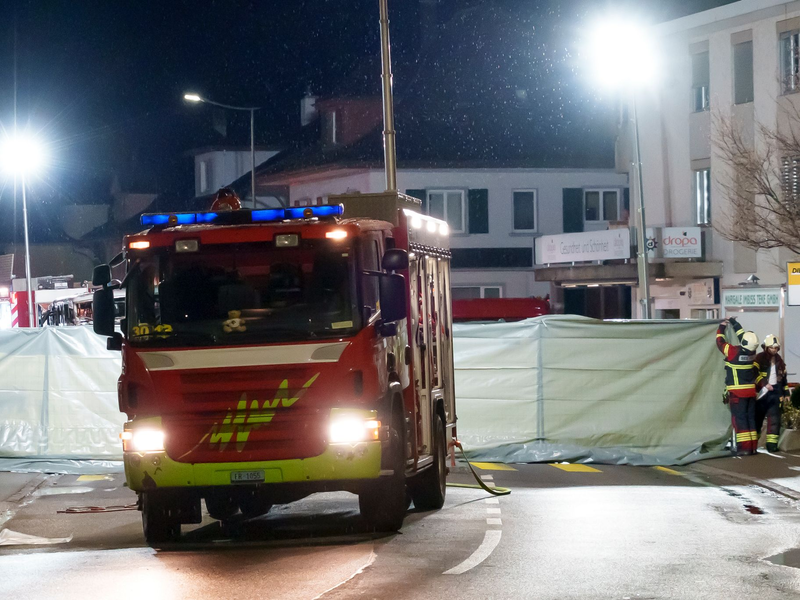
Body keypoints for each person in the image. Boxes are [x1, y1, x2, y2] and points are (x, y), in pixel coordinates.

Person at [716, 317, 760, 455]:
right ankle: (752, 447)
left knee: (740, 420)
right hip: (751, 392)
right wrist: (735, 324)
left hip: (737, 393)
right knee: (750, 418)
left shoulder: (732, 352)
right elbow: (743, 337)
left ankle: (744, 448)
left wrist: (722, 327)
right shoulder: (752, 353)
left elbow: (719, 342)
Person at [754, 335, 788, 453]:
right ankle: (753, 444)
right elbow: (753, 373)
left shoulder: (779, 360)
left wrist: (786, 393)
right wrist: (764, 384)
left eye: (776, 348)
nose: (774, 350)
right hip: (762, 393)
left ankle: (772, 445)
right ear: (766, 347)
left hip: (775, 392)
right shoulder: (759, 358)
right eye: (772, 347)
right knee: (757, 419)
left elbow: (784, 378)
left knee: (774, 420)